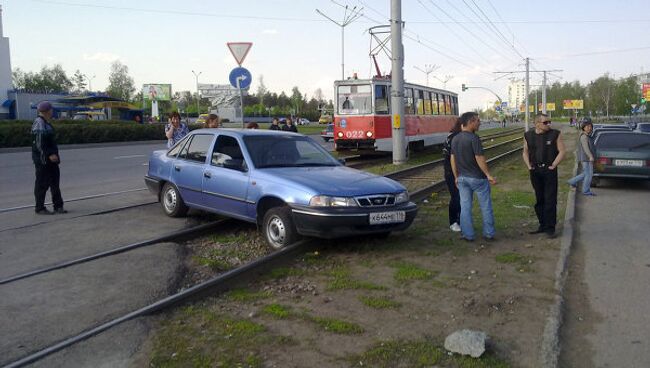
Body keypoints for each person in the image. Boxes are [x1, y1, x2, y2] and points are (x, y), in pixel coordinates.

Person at [451, 112, 497, 241]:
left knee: (465, 207)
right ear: (470, 122)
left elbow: (452, 159)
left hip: (462, 179)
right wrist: (488, 175)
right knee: (485, 206)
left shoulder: (455, 138)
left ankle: (468, 235)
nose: (479, 123)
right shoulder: (474, 138)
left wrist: (456, 176)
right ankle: (489, 233)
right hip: (478, 178)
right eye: (477, 120)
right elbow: (479, 157)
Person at [523, 113, 566, 238]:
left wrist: (554, 164)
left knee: (550, 199)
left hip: (549, 170)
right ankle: (542, 224)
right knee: (539, 198)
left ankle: (550, 228)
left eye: (549, 122)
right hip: (535, 170)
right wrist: (529, 166)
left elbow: (562, 151)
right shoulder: (528, 135)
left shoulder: (555, 134)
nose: (549, 124)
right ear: (537, 124)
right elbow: (525, 151)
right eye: (545, 122)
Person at [32, 101, 67, 215]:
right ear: (47, 111)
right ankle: (40, 208)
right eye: (51, 109)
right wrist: (48, 155)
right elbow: (39, 144)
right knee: (42, 184)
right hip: (43, 160)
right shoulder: (39, 123)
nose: (52, 111)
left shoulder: (46, 122)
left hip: (52, 160)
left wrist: (54, 154)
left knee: (55, 183)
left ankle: (58, 206)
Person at [567, 118, 596, 196]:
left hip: (586, 158)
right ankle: (586, 191)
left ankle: (572, 181)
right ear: (583, 127)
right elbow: (586, 148)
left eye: (590, 126)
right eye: (587, 126)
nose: (589, 128)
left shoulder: (587, 136)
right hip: (586, 158)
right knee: (589, 174)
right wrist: (590, 156)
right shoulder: (584, 137)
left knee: (586, 173)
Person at [443, 119, 463, 232]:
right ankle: (453, 221)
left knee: (459, 197)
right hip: (452, 172)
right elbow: (452, 158)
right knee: (456, 197)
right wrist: (456, 175)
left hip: (454, 172)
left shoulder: (453, 136)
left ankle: (459, 220)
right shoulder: (455, 138)